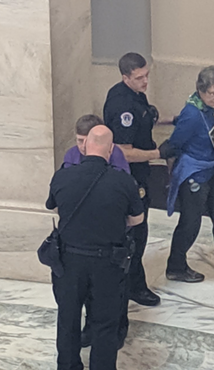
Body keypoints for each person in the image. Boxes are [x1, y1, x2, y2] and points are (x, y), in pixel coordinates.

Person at [45, 125, 144, 370]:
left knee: (67, 318)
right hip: (107, 263)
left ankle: (68, 365)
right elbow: (137, 219)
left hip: (68, 261)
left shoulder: (62, 176)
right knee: (105, 322)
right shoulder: (123, 181)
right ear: (111, 150)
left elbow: (53, 208)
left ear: (85, 145)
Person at [163, 66, 214, 295]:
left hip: (213, 172)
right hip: (194, 176)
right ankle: (176, 265)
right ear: (200, 90)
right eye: (212, 93)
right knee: (190, 224)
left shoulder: (205, 110)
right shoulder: (191, 114)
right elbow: (175, 144)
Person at [103, 52, 177, 307]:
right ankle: (134, 285)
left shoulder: (135, 96)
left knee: (139, 232)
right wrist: (158, 154)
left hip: (141, 174)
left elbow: (146, 117)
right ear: (125, 78)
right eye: (139, 78)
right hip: (131, 179)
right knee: (136, 233)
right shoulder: (123, 106)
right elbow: (122, 151)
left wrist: (172, 119)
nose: (145, 81)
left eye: (147, 75)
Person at [59, 114, 131, 350]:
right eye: (78, 140)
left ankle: (114, 330)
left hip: (106, 235)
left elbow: (126, 199)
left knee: (108, 301)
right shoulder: (71, 156)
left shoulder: (115, 156)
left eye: (85, 140)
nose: (82, 146)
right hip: (78, 238)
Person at [62, 114, 130, 173]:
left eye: (88, 141)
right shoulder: (72, 154)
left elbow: (123, 180)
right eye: (80, 141)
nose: (83, 146)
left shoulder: (115, 153)